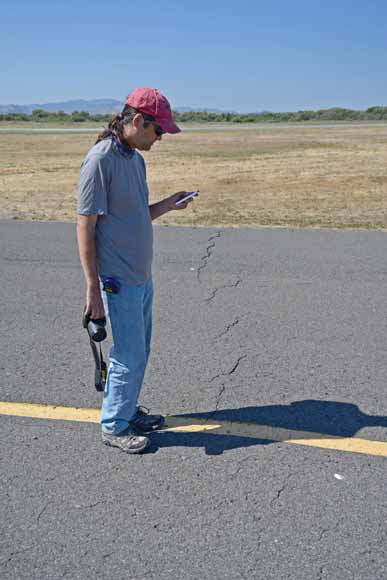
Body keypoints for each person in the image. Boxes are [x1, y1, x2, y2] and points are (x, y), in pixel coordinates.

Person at [77, 87, 195, 454]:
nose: (160, 139)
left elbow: (135, 216)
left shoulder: (134, 159)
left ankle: (126, 411)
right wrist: (92, 289)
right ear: (139, 121)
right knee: (127, 353)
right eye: (158, 132)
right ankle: (114, 425)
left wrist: (167, 205)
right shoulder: (100, 160)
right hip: (117, 280)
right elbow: (85, 225)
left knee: (139, 350)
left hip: (140, 276)